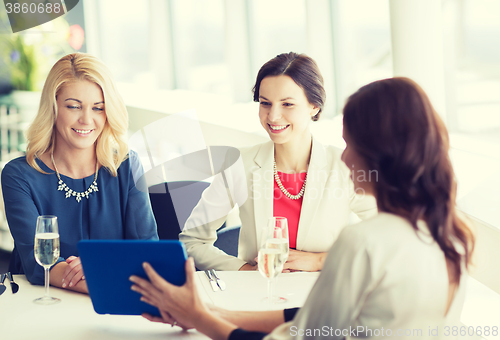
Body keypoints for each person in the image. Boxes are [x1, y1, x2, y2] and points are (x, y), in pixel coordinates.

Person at [130, 77, 475, 339]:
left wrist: (199, 319)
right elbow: (313, 321)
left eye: (351, 144)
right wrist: (208, 309)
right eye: (265, 102)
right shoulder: (451, 235)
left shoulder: (363, 241)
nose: (344, 156)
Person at [179, 52, 376, 272]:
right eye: (265, 103)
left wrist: (319, 260)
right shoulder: (238, 164)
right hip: (257, 296)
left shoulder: (345, 166)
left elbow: (389, 238)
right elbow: (191, 242)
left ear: (314, 107)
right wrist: (244, 270)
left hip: (324, 297)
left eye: (287, 104)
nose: (273, 116)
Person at [2, 53, 158, 293]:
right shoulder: (19, 175)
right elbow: (38, 265)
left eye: (98, 108)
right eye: (74, 106)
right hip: (42, 302)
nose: (86, 119)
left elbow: (147, 252)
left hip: (114, 301)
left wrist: (97, 268)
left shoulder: (126, 165)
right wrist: (107, 273)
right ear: (52, 108)